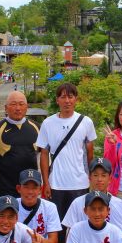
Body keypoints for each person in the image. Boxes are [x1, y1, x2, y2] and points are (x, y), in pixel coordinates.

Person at [37, 83, 96, 219]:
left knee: (79, 224)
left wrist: (90, 176)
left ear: (76, 99)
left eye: (70, 96)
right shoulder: (48, 123)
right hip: (56, 184)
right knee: (58, 227)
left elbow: (90, 153)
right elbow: (44, 154)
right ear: (57, 100)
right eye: (63, 97)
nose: (67, 101)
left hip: (80, 183)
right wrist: (46, 182)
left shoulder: (86, 122)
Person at [0, 91, 40, 198]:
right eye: (13, 104)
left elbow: (41, 154)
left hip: (30, 191)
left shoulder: (36, 127)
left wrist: (38, 173)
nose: (18, 108)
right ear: (6, 108)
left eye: (21, 104)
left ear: (26, 107)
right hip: (4, 190)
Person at [61, 158, 121, 230]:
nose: (99, 179)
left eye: (103, 175)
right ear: (89, 177)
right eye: (95, 175)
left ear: (110, 179)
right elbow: (70, 232)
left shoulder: (119, 204)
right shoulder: (77, 203)